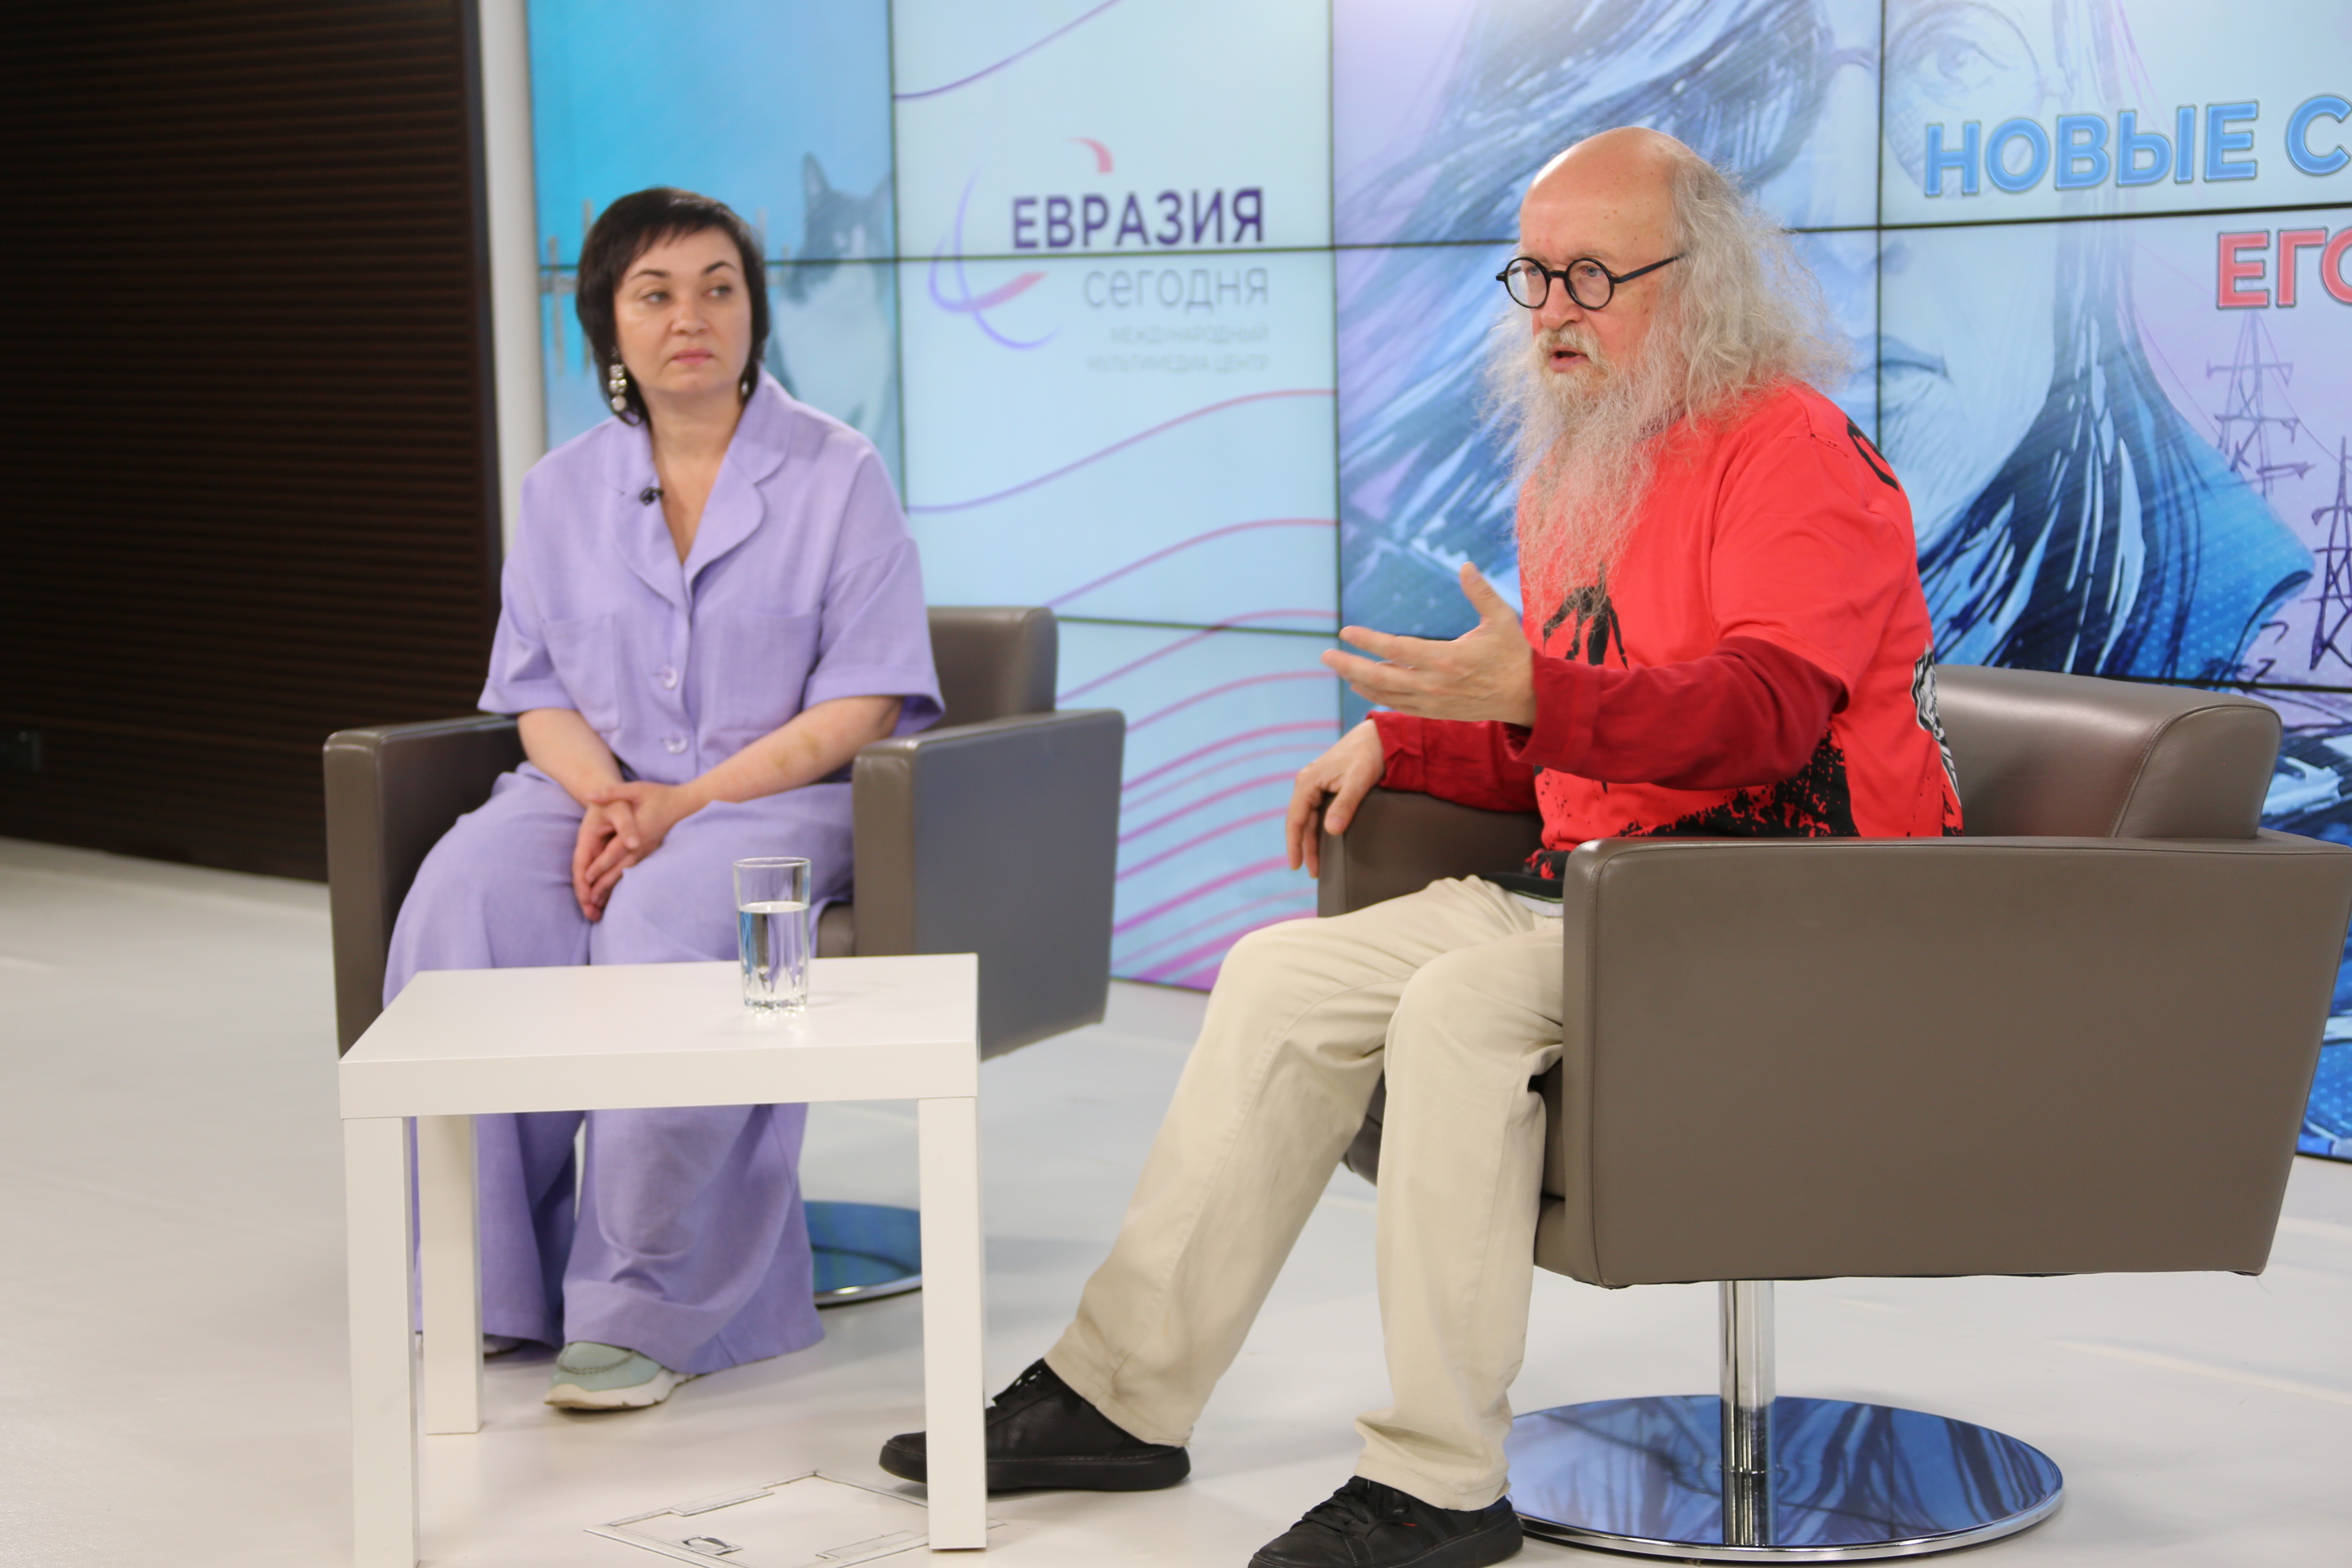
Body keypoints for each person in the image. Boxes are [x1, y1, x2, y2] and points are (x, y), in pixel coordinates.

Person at [880, 129, 1962, 1568]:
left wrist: (1532, 697)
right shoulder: (1583, 458)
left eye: (1594, 276)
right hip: (1614, 894)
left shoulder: (1793, 453)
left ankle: (1440, 1482)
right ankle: (1118, 1395)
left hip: (1791, 910)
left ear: (1703, 283)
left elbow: (1762, 716)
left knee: (1458, 1007)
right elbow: (1589, 723)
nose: (1554, 310)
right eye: (1535, 276)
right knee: (1279, 974)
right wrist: (1411, 742)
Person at [385, 187, 940, 1410]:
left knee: (668, 917)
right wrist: (609, 799)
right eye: (655, 294)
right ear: (609, 326)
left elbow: (864, 705)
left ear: (754, 312)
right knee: (465, 900)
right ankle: (480, 1277)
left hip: (778, 798)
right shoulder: (559, 490)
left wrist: (678, 808)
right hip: (591, 789)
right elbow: (536, 691)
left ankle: (648, 1306)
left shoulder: (839, 473)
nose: (690, 316)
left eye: (717, 288)